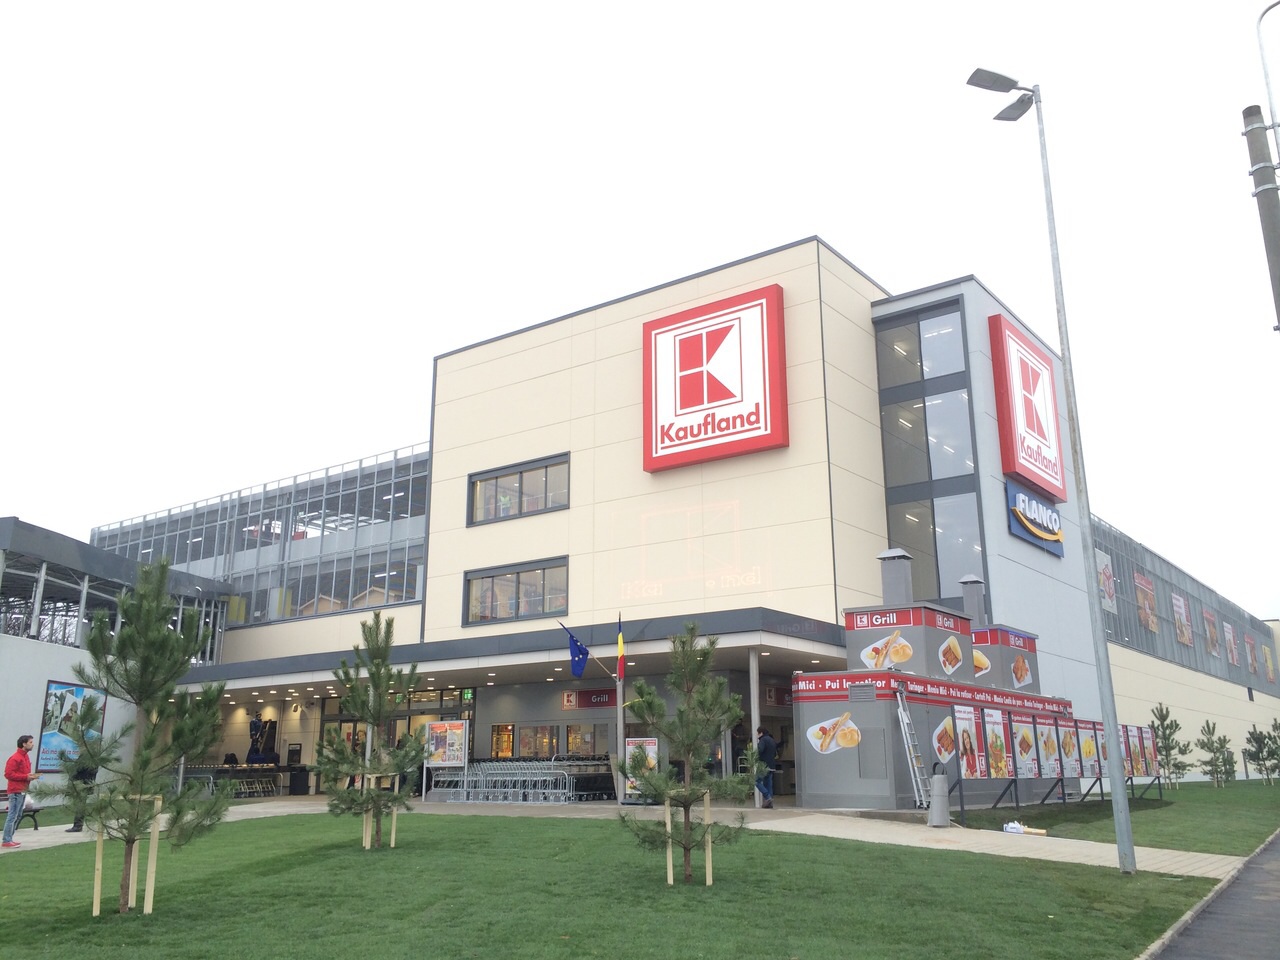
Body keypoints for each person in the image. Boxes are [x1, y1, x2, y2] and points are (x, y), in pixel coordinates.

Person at [4, 735, 40, 848]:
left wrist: (31, 776)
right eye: (30, 742)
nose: (32, 744)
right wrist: (25, 777)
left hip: (23, 790)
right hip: (15, 791)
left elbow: (24, 774)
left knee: (18, 815)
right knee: (12, 816)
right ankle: (6, 840)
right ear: (24, 744)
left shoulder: (25, 757)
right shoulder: (15, 758)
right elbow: (8, 774)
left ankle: (9, 839)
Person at [66, 762, 99, 832]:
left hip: (82, 784)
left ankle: (78, 825)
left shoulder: (87, 759)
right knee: (79, 804)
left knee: (80, 804)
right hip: (82, 783)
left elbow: (80, 769)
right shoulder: (86, 758)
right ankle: (78, 825)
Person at [755, 726, 777, 809]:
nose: (757, 735)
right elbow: (775, 753)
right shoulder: (772, 740)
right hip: (771, 765)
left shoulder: (763, 740)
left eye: (757, 733)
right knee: (768, 784)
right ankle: (769, 802)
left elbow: (760, 750)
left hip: (763, 765)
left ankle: (767, 797)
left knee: (756, 781)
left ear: (761, 733)